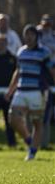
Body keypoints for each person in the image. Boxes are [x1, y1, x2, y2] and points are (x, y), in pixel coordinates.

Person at [5, 25, 55, 161]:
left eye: (31, 34)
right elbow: (18, 72)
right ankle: (29, 141)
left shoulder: (44, 52)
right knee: (13, 118)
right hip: (21, 91)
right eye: (26, 34)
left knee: (37, 123)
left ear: (36, 36)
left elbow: (52, 70)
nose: (28, 37)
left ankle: (32, 152)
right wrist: (10, 90)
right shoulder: (21, 52)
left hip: (37, 92)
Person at [37, 14, 55, 149]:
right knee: (36, 114)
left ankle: (45, 142)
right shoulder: (36, 35)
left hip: (51, 73)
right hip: (38, 74)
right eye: (45, 23)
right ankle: (34, 142)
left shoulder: (53, 36)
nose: (46, 26)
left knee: (47, 112)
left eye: (49, 23)